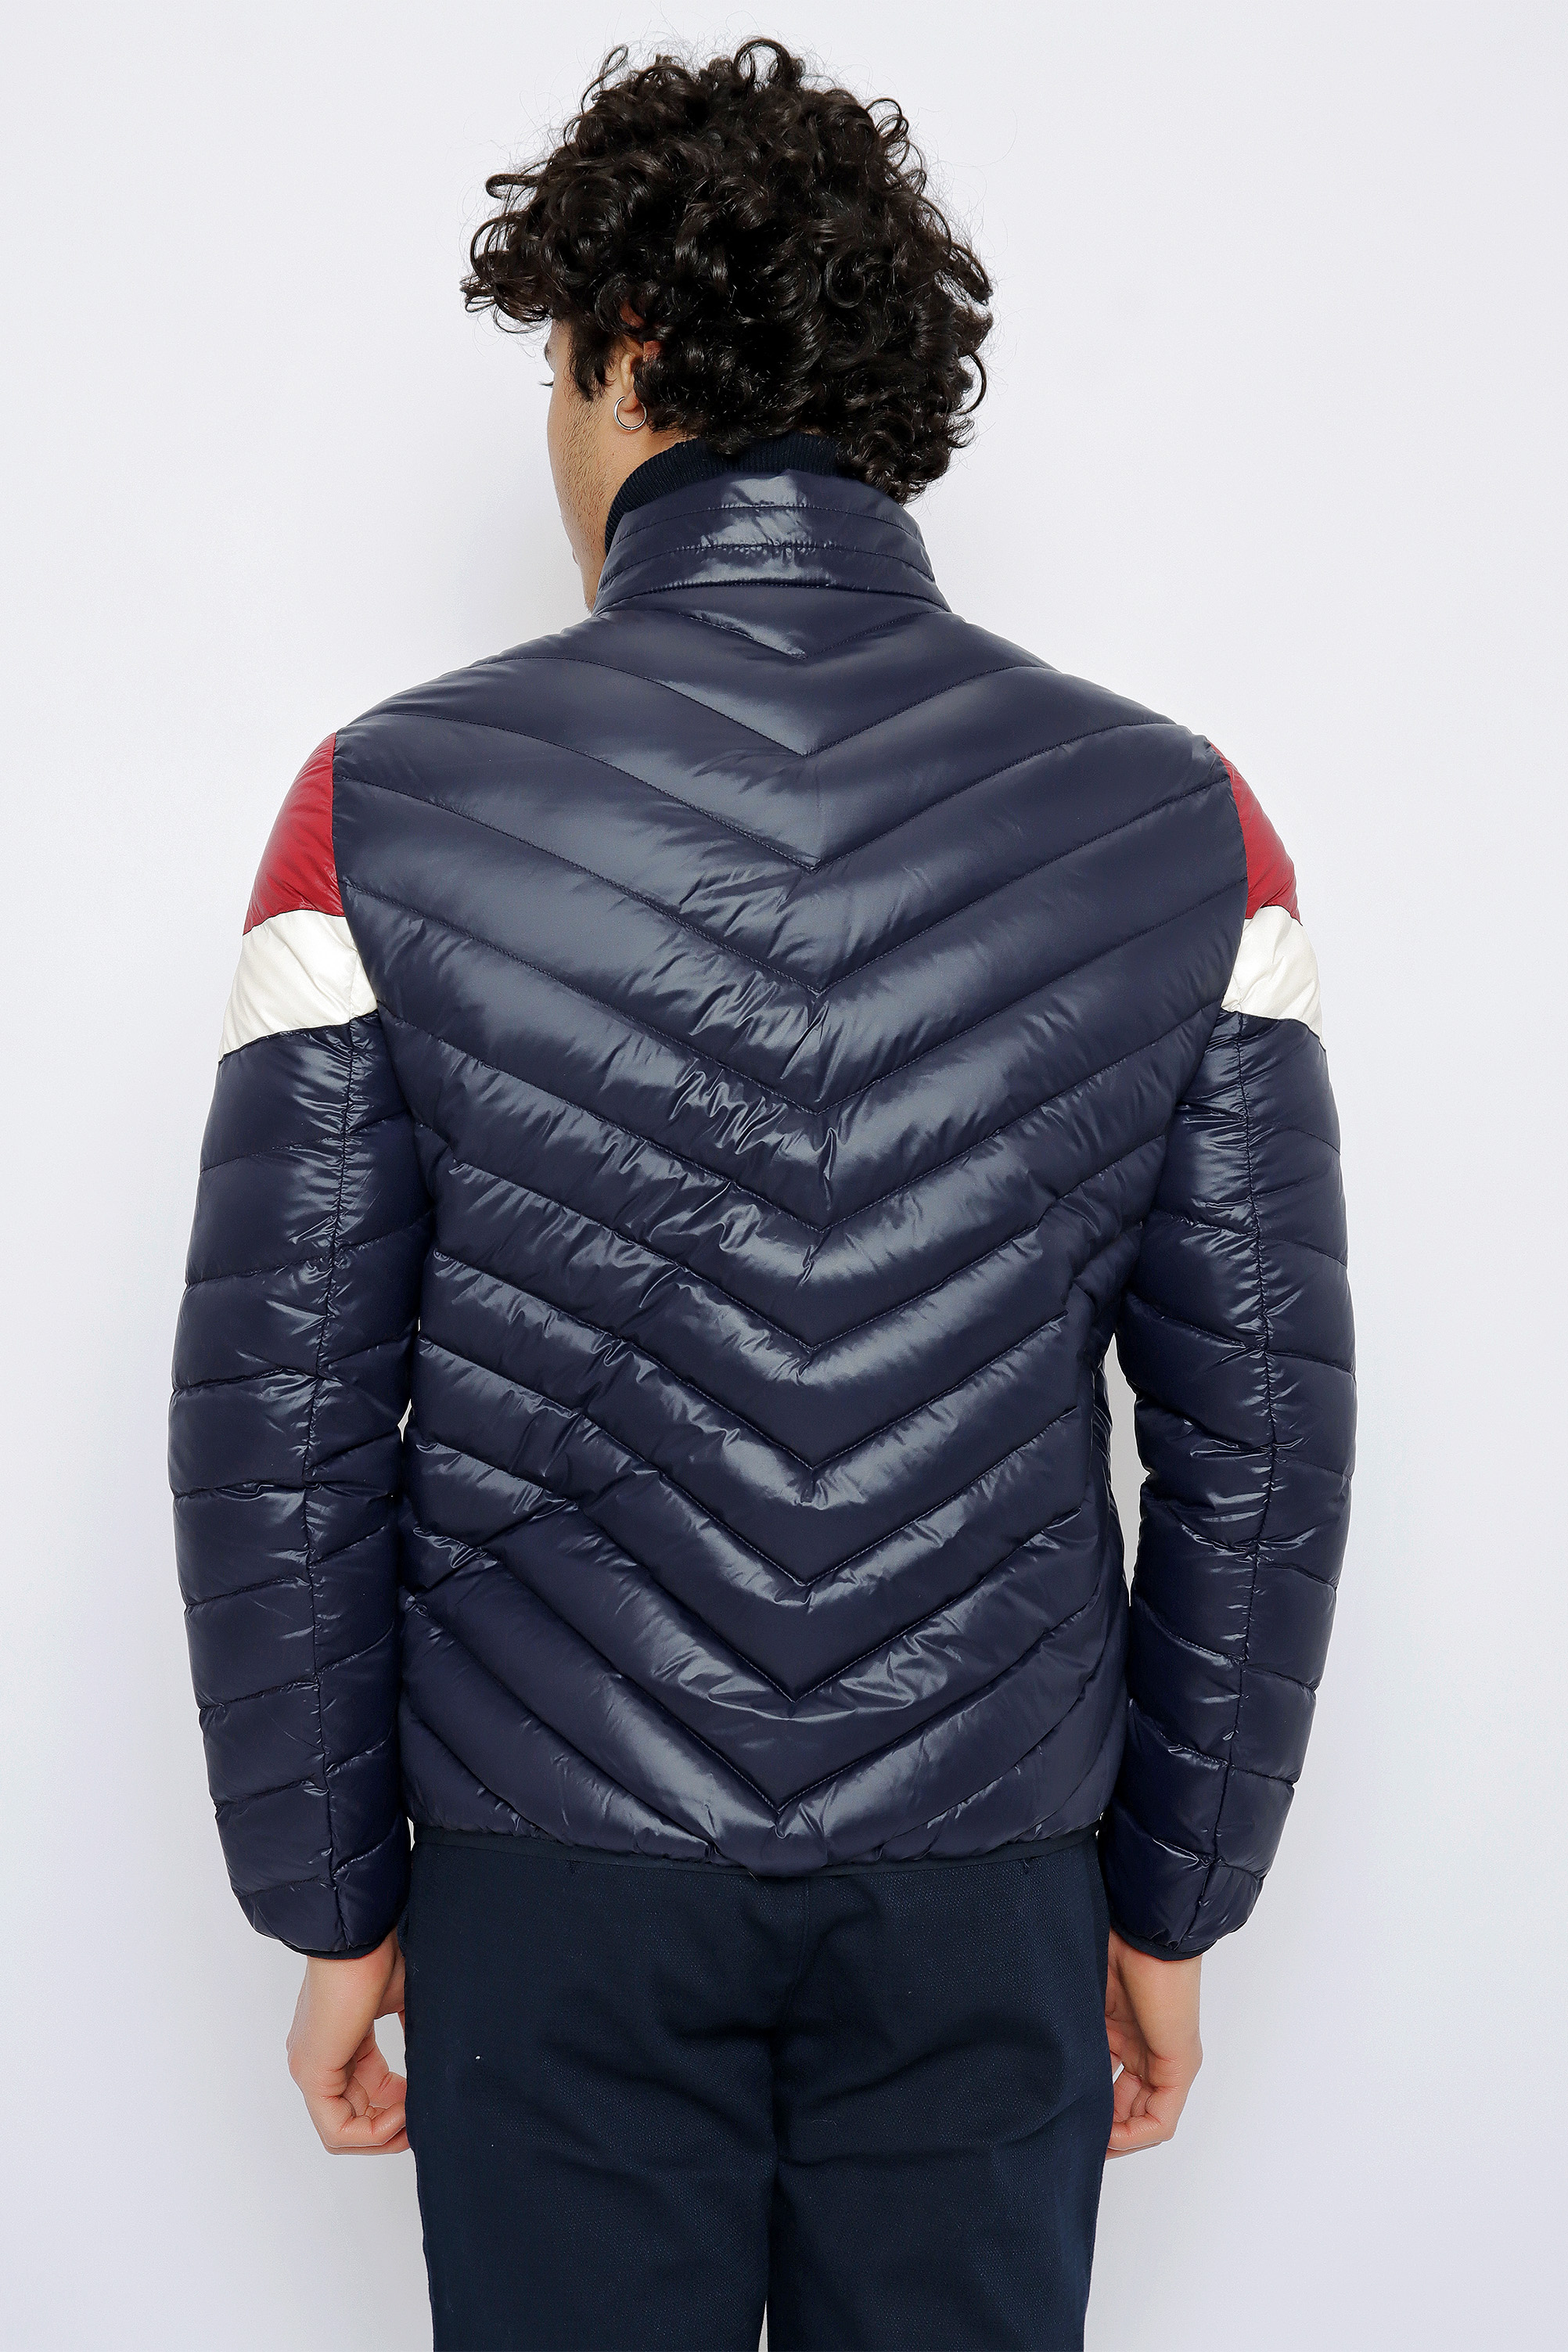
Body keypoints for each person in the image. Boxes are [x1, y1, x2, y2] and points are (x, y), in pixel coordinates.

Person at [169, 38, 1354, 2352]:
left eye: (552, 367)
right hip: (988, 1866)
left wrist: (328, 1903)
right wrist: (1172, 1902)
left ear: (623, 355)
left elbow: (280, 1427)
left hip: (551, 1868)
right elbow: (1263, 1439)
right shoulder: (1181, 826)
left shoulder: (376, 811)